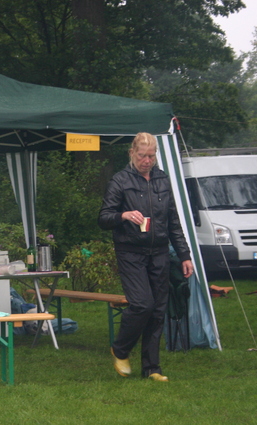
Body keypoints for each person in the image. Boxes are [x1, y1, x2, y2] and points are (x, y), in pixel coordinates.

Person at [97, 132, 194, 382]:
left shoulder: (162, 180)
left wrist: (184, 255)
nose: (147, 160)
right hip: (130, 252)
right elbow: (104, 217)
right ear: (132, 153)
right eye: (142, 155)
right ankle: (120, 349)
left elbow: (173, 220)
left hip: (160, 252)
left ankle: (152, 368)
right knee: (142, 305)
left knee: (158, 311)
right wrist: (124, 216)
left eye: (151, 156)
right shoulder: (120, 180)